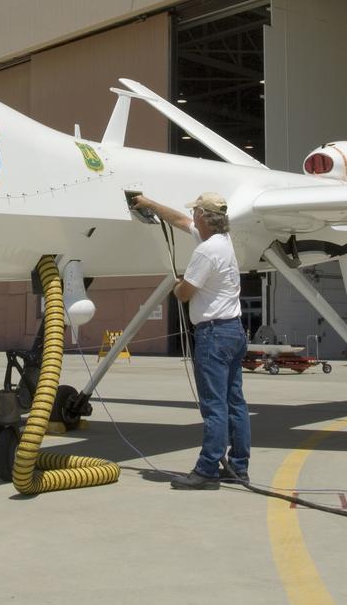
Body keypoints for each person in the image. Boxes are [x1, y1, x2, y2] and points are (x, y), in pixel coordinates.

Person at [132, 191, 251, 489]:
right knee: (234, 402)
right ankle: (238, 467)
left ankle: (207, 469)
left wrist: (177, 287)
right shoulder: (222, 243)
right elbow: (180, 221)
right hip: (234, 330)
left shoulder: (206, 252)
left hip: (214, 335)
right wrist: (150, 204)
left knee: (214, 405)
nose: (193, 216)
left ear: (204, 216)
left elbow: (185, 293)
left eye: (197, 212)